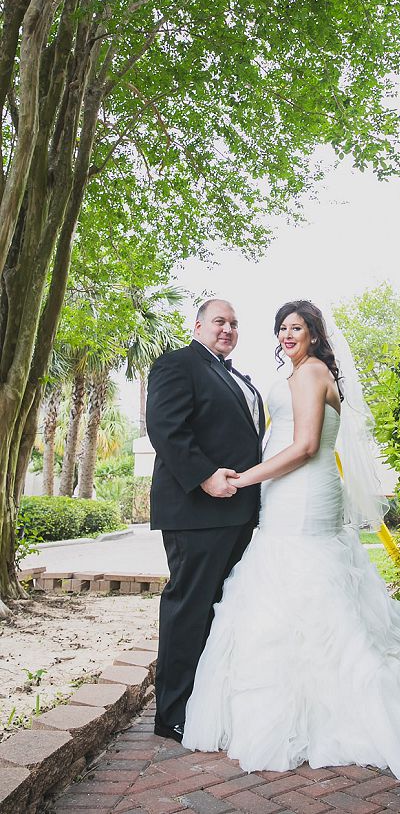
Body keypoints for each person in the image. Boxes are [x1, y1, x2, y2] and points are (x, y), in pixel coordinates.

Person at [181, 300, 400, 783]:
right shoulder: (300, 373)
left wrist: (246, 478)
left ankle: (341, 710)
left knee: (309, 583)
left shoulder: (312, 373)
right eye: (282, 329)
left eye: (297, 328)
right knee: (281, 589)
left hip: (305, 495)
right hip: (286, 495)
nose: (287, 335)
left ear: (314, 334)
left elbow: (307, 446)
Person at [146, 298, 266, 742]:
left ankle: (206, 704)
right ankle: (171, 713)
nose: (228, 329)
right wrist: (203, 478)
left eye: (235, 323)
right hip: (197, 512)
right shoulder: (178, 364)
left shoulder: (233, 374)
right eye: (220, 321)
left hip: (236, 512)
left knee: (220, 609)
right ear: (197, 325)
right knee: (189, 609)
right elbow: (165, 427)